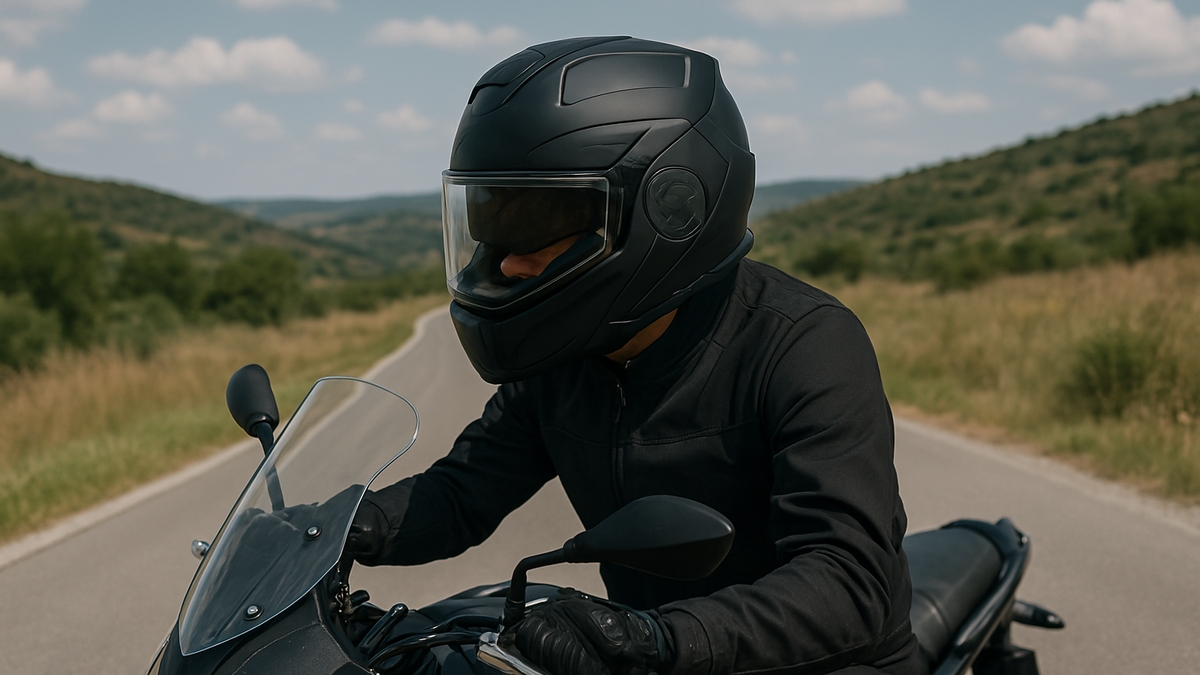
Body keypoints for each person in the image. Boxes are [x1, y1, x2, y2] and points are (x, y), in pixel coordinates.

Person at [348, 36, 923, 675]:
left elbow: (847, 582)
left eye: (536, 222)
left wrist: (653, 640)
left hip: (825, 662)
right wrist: (340, 527)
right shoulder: (568, 359)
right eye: (490, 219)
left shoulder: (803, 344)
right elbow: (460, 494)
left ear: (667, 212)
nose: (506, 261)